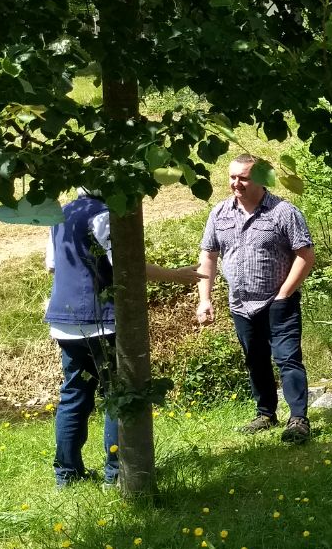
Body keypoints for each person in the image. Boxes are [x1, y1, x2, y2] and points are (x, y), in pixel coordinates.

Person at [45, 189, 204, 488]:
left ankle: (66, 474)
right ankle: (115, 473)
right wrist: (173, 274)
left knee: (73, 395)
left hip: (65, 321)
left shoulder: (61, 213)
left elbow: (53, 265)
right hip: (99, 320)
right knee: (115, 394)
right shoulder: (104, 213)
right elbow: (125, 265)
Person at [197, 154, 316, 444]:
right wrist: (205, 298)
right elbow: (208, 256)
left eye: (243, 178)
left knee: (287, 359)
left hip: (278, 302)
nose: (236, 183)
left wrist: (284, 294)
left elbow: (305, 255)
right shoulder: (220, 213)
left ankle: (298, 419)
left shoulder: (283, 212)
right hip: (240, 304)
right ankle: (265, 414)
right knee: (256, 360)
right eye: (232, 177)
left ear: (260, 179)